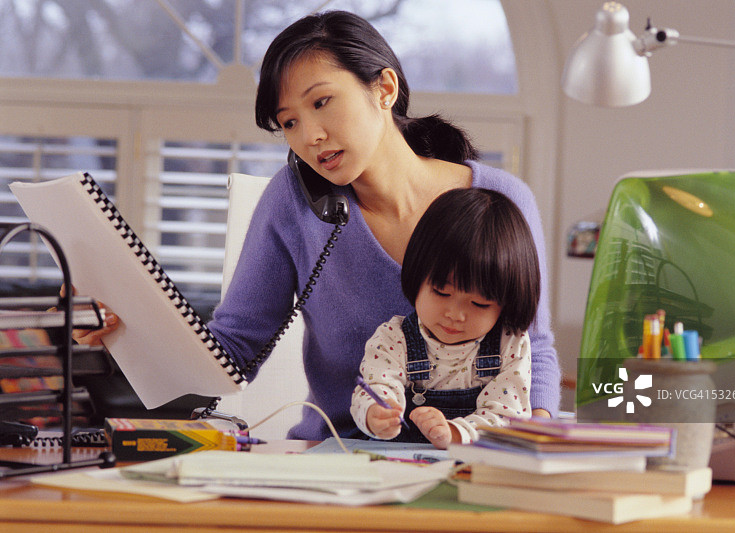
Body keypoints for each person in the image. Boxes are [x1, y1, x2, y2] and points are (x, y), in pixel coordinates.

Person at [78, 10, 560, 441]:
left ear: (384, 89)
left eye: (322, 102)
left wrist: (535, 444)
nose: (310, 136)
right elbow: (233, 350)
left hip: (475, 453)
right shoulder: (291, 203)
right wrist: (127, 326)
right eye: (288, 123)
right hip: (339, 454)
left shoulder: (502, 200)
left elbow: (532, 345)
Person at [351, 188, 539, 449]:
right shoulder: (394, 338)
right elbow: (376, 386)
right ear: (417, 276)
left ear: (506, 302)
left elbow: (508, 417)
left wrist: (454, 432)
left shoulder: (509, 344)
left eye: (479, 304)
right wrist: (376, 414)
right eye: (441, 292)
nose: (455, 315)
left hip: (476, 463)